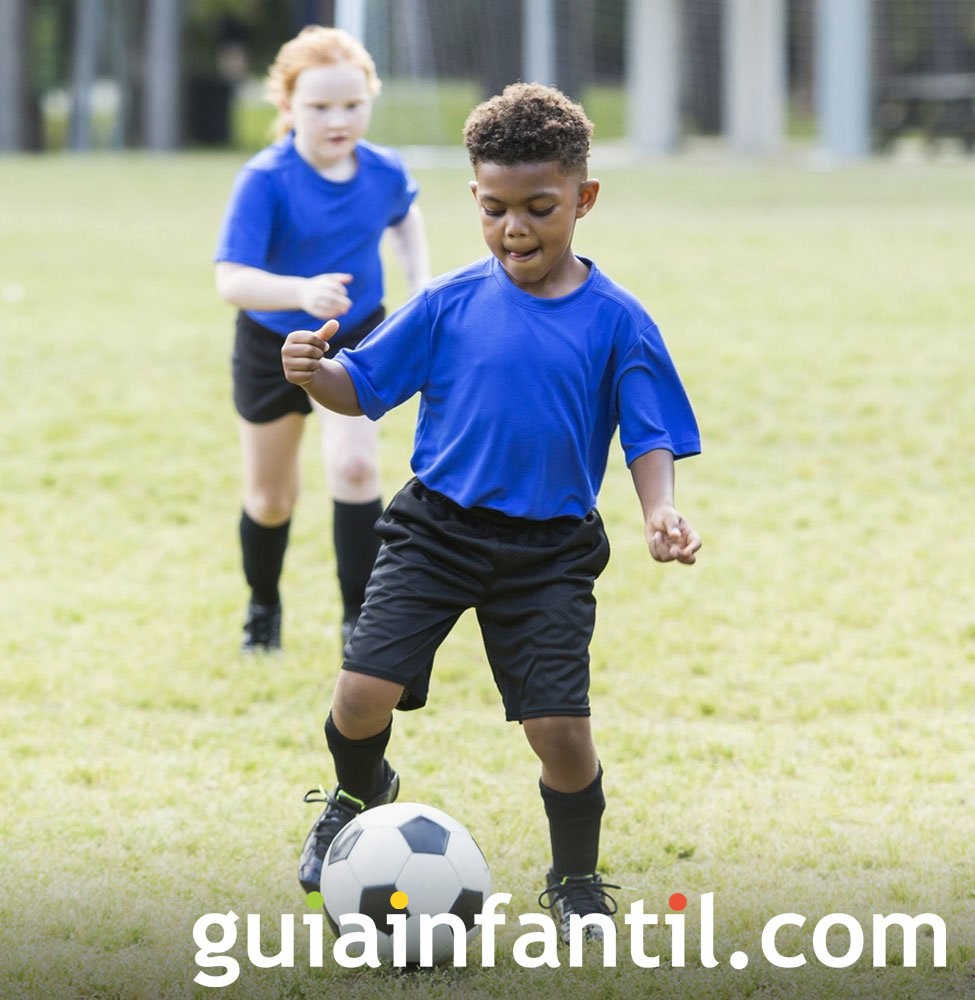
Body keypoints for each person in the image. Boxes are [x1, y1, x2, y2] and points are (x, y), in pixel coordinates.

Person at [282, 82, 701, 943]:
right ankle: (358, 795)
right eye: (495, 209)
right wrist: (309, 370)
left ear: (583, 199)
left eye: (540, 209)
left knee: (561, 735)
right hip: (434, 528)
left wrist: (661, 510)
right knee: (362, 696)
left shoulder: (619, 321)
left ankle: (576, 877)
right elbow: (359, 389)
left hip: (548, 551)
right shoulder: (446, 302)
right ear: (474, 199)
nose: (516, 230)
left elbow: (648, 432)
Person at [215, 26, 430, 654]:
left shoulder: (385, 169)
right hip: (272, 341)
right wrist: (299, 293)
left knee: (357, 466)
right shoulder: (266, 179)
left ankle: (359, 624)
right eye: (319, 107)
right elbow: (231, 279)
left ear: (370, 100)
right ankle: (263, 609)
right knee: (272, 497)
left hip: (358, 333)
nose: (338, 120)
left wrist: (420, 277)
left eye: (352, 105)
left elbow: (404, 212)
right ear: (286, 107)